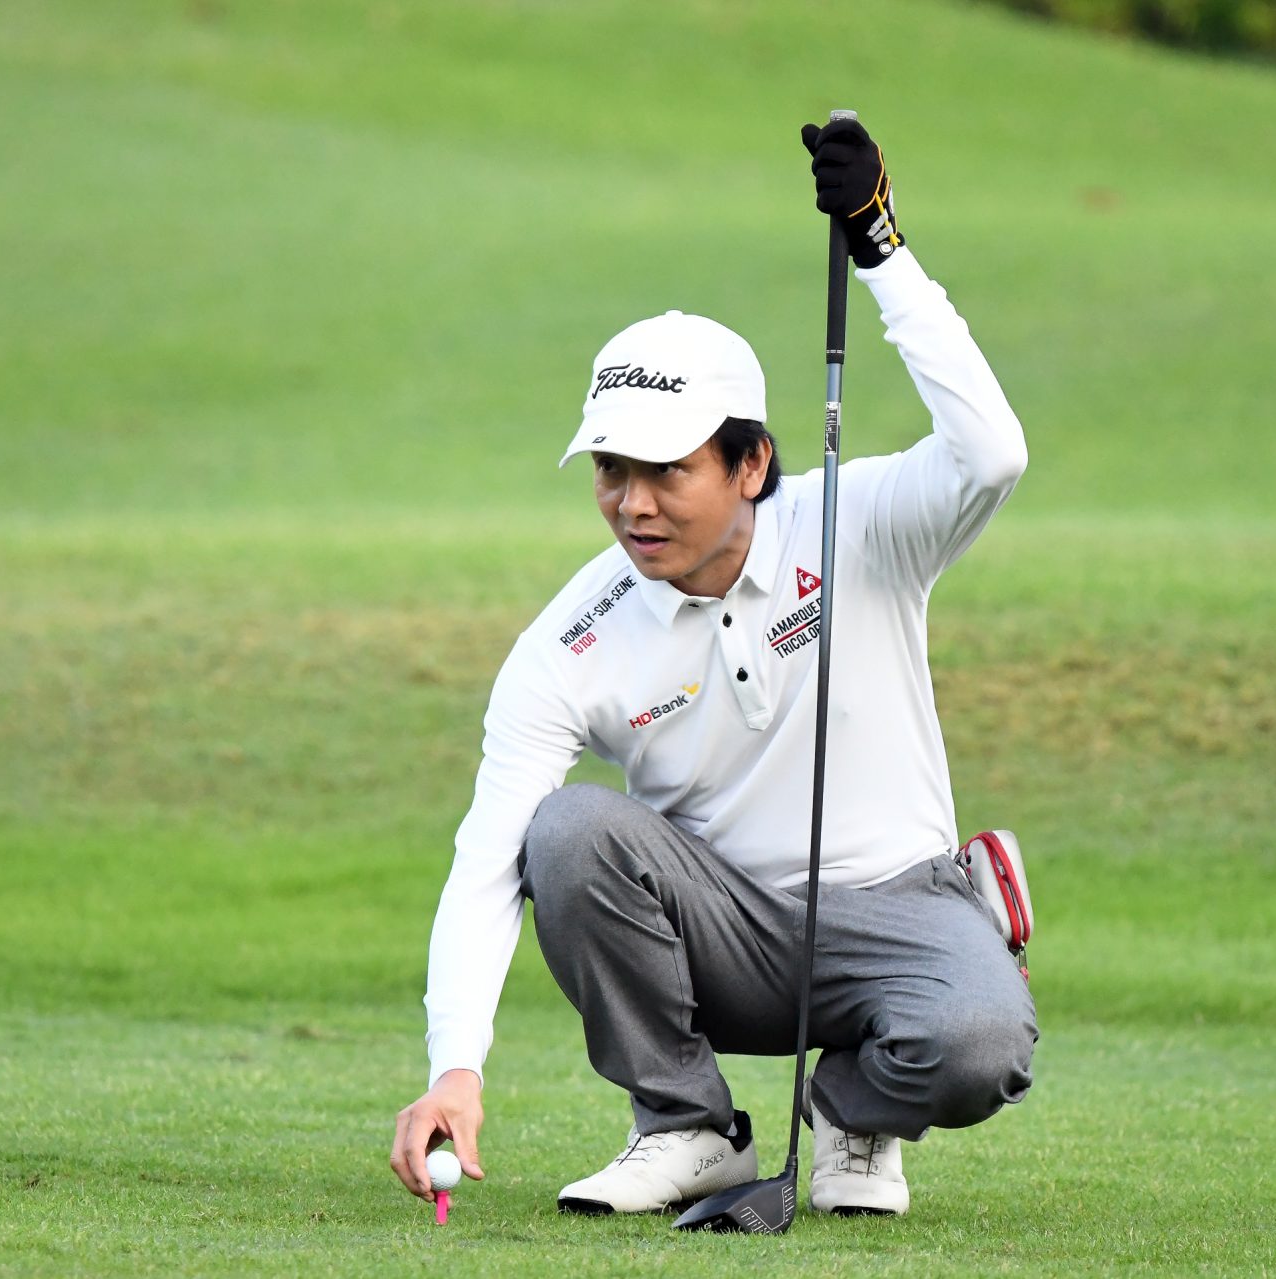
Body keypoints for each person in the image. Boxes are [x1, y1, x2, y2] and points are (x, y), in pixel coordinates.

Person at [389, 115, 1038, 1218]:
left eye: (666, 470)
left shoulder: (862, 522)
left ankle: (853, 1115)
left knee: (978, 1042)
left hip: (897, 908)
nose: (632, 504)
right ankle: (687, 1126)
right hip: (722, 933)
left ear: (751, 463)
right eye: (611, 470)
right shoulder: (573, 639)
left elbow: (993, 452)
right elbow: (488, 856)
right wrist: (457, 1063)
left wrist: (879, 246)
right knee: (566, 830)